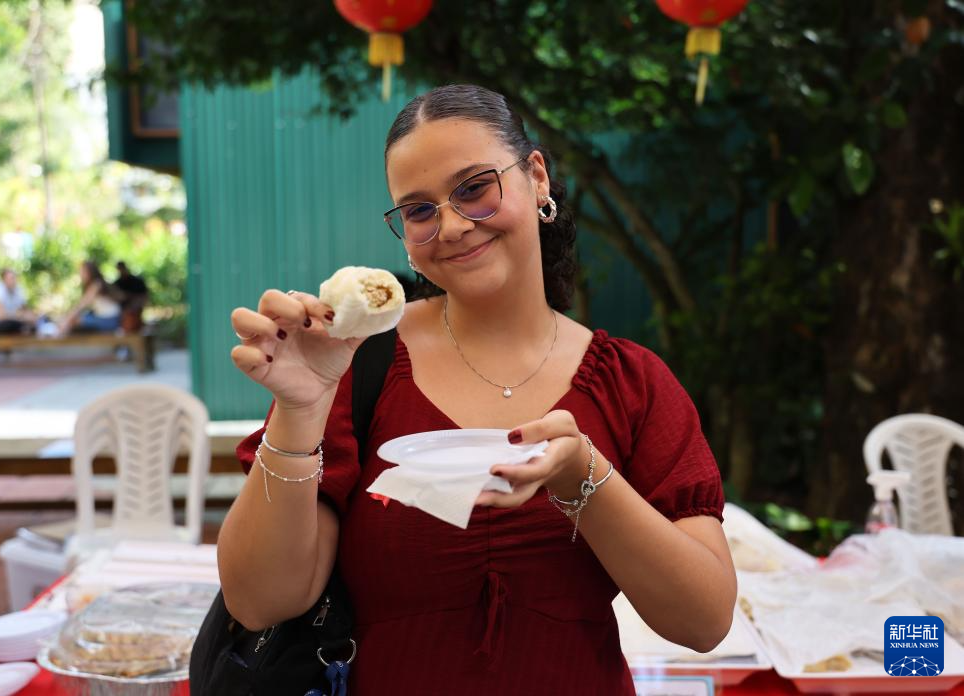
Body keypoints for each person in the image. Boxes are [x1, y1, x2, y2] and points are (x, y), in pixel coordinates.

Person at [220, 84, 736, 694]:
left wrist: (584, 478)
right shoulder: (356, 363)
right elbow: (260, 601)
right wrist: (300, 407)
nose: (453, 226)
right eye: (419, 210)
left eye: (473, 189)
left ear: (536, 178)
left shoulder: (631, 383)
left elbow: (703, 620)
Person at [61, 261, 122, 335]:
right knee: (79, 319)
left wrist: (66, 320)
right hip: (109, 319)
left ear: (90, 272)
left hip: (110, 321)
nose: (81, 274)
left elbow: (81, 305)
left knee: (76, 321)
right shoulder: (97, 284)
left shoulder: (96, 285)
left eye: (83, 271)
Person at [0, 269, 36, 334]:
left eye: (14, 278)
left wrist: (30, 316)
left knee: (31, 324)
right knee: (12, 324)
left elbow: (25, 310)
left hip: (9, 322)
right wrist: (21, 316)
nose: (13, 280)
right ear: (3, 279)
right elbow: (1, 316)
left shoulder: (18, 290)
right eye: (11, 278)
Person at [112, 261, 149, 333]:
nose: (121, 271)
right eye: (119, 269)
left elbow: (144, 296)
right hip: (121, 312)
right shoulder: (117, 283)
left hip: (135, 309)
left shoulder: (137, 281)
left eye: (122, 268)